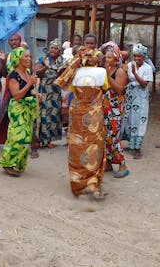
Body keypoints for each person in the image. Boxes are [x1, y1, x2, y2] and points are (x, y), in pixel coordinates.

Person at [55, 46, 108, 199]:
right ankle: (92, 182)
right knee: (94, 147)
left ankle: (79, 182)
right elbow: (104, 88)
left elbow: (71, 90)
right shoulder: (102, 72)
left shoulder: (74, 72)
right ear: (95, 59)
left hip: (77, 114)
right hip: (93, 116)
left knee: (78, 148)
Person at [0, 47, 38, 177]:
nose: (29, 59)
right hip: (18, 109)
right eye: (25, 56)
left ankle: (18, 162)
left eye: (29, 56)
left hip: (28, 109)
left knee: (26, 137)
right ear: (18, 59)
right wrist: (29, 84)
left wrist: (36, 94)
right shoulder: (13, 75)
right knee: (18, 136)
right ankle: (7, 162)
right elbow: (16, 96)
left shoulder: (27, 73)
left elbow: (28, 92)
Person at [101, 42, 129, 178]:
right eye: (106, 58)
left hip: (115, 109)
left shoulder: (120, 71)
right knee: (105, 136)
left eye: (110, 58)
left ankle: (123, 164)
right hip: (105, 108)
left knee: (113, 137)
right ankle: (108, 163)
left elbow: (119, 89)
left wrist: (107, 77)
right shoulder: (107, 70)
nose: (107, 60)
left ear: (116, 59)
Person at [121, 43, 154, 159]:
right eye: (135, 56)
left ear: (144, 56)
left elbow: (144, 84)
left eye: (139, 56)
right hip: (130, 96)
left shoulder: (148, 68)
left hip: (141, 98)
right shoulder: (130, 65)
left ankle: (137, 148)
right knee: (129, 119)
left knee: (140, 121)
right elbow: (126, 79)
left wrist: (135, 73)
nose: (136, 58)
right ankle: (131, 144)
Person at [34, 38, 67, 151]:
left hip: (55, 93)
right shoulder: (42, 59)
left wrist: (60, 72)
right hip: (43, 91)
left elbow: (64, 77)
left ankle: (48, 140)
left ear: (59, 51)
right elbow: (37, 73)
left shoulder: (63, 61)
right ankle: (38, 140)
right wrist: (46, 67)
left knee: (52, 116)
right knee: (40, 116)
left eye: (56, 48)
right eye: (51, 47)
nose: (53, 50)